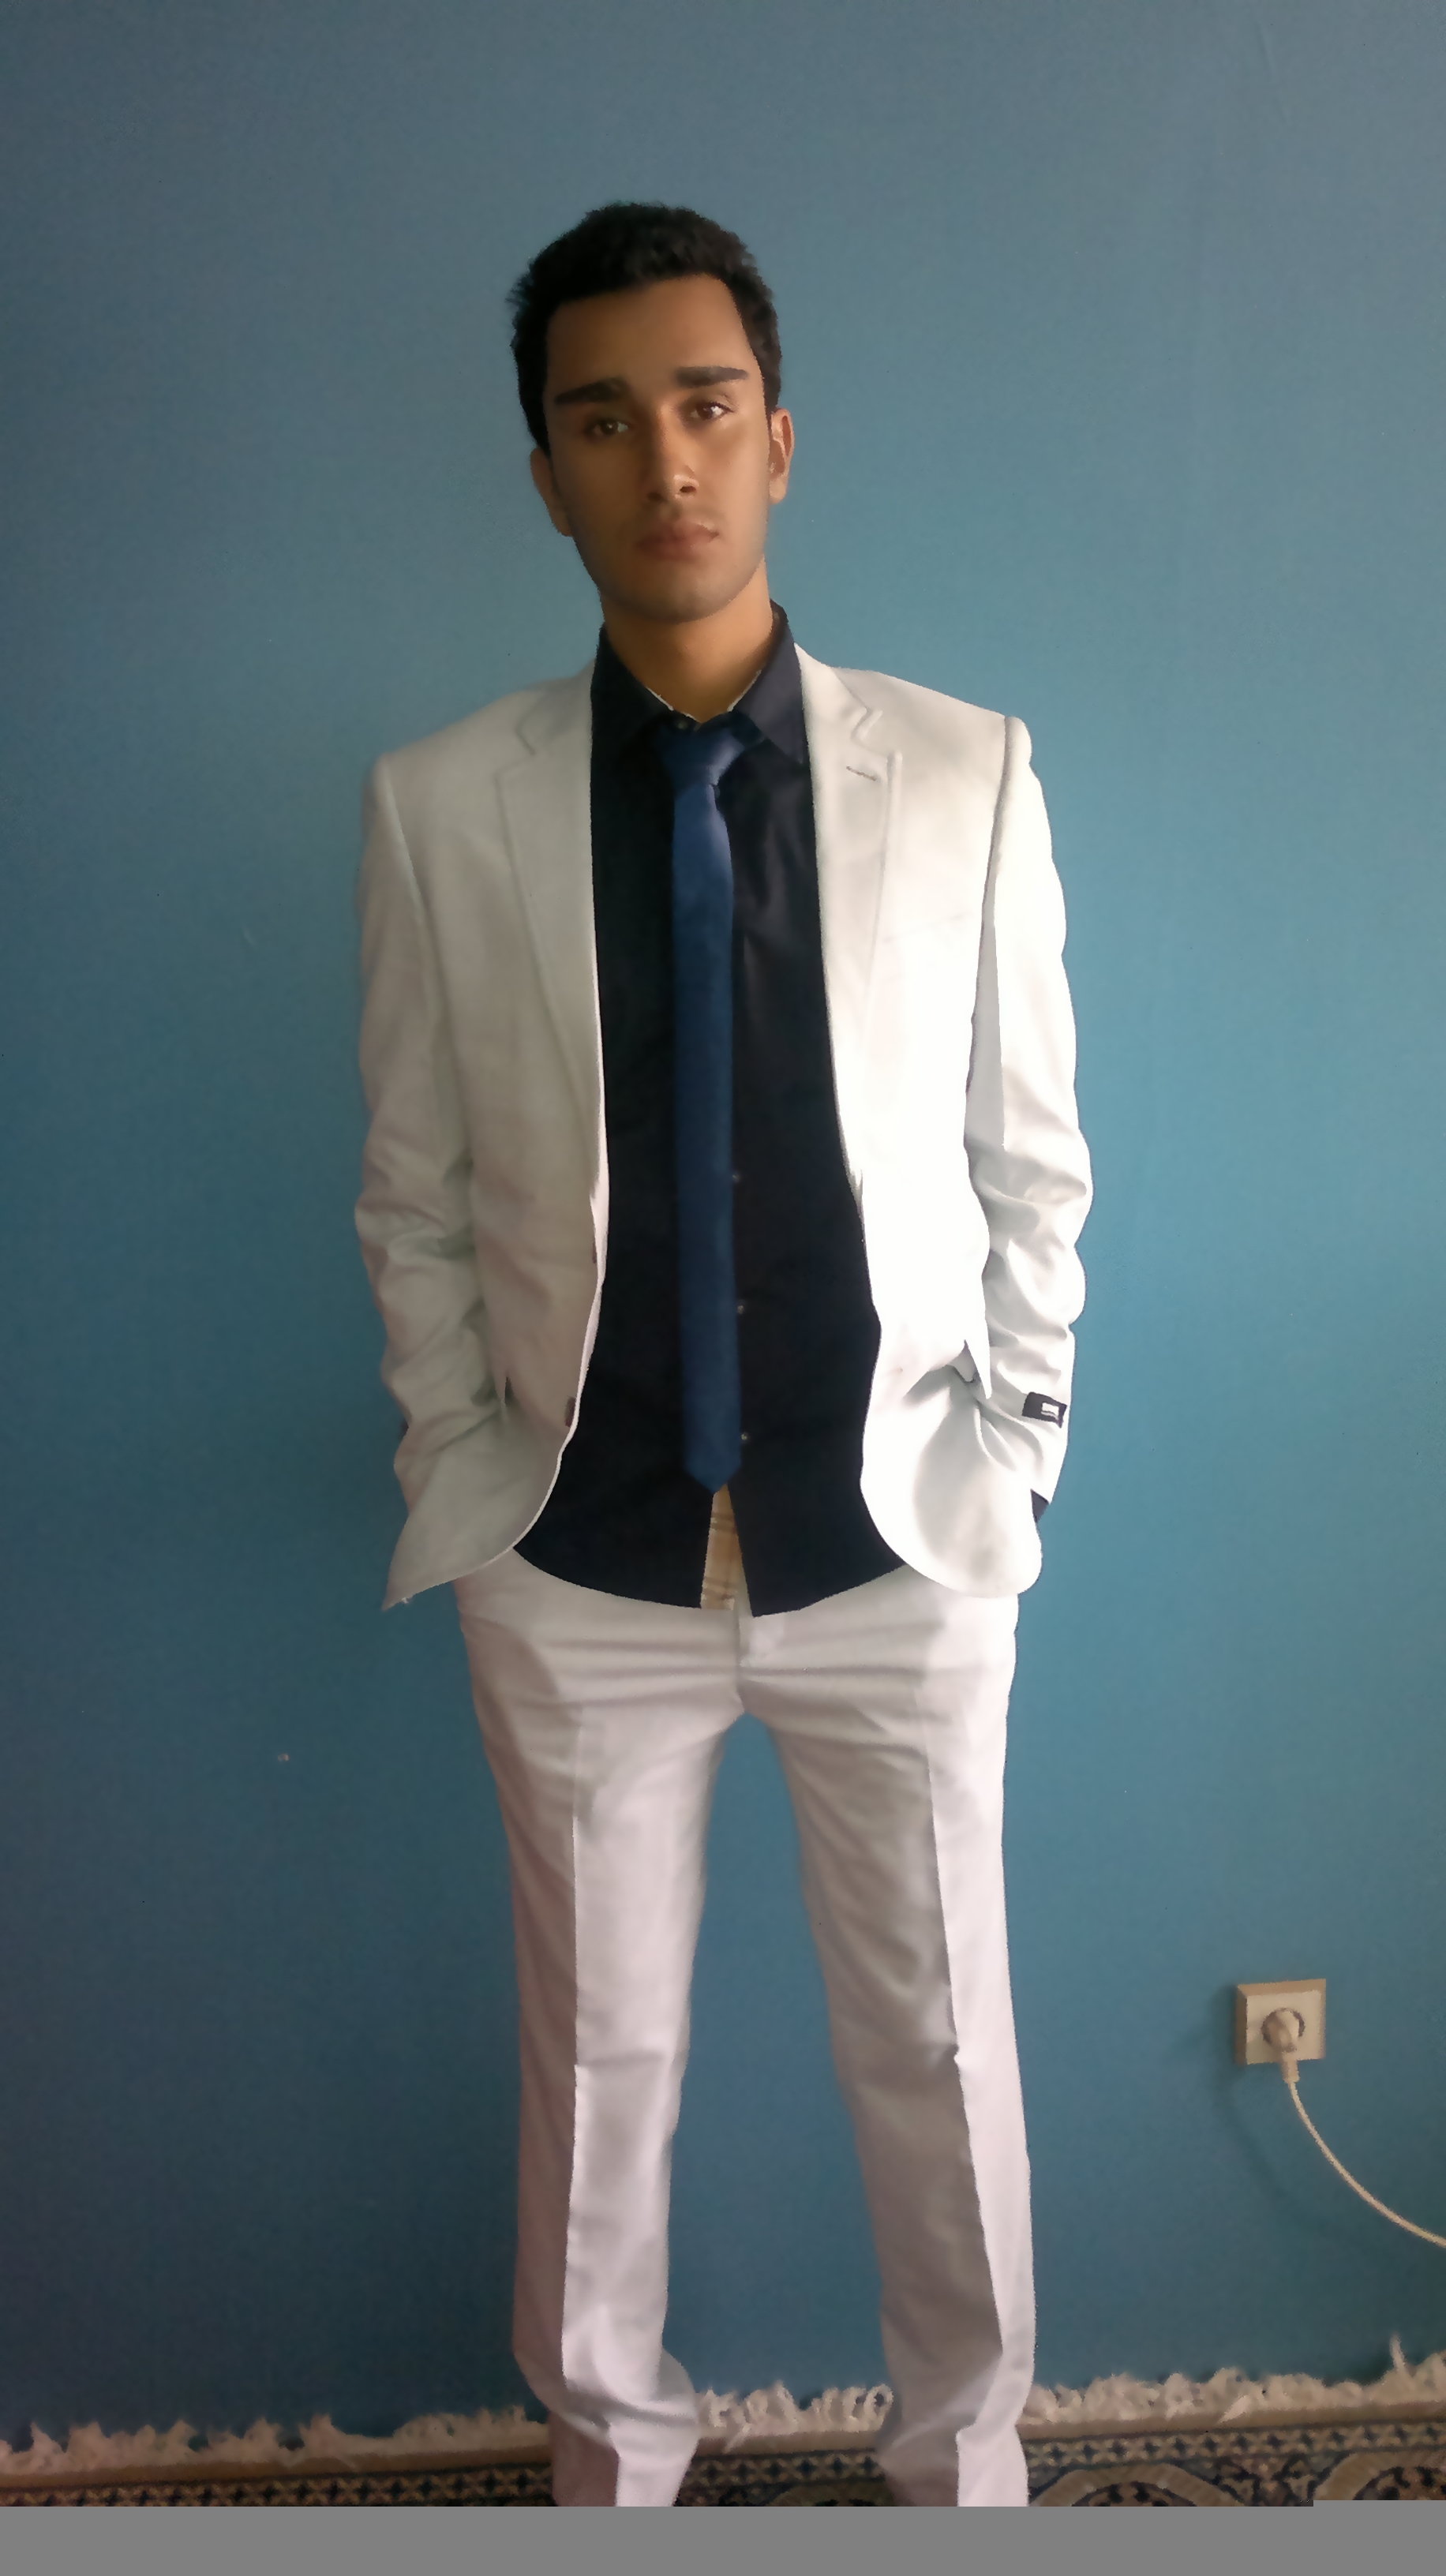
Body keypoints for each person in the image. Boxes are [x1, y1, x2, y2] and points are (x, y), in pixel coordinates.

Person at [353, 200, 1092, 2510]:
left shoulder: (965, 773)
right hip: (578, 1555)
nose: (661, 457)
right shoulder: (440, 805)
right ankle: (617, 2475)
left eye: (703, 404)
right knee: (599, 2074)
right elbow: (409, 1186)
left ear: (778, 438)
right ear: (546, 475)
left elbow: (1035, 1162)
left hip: (898, 1537)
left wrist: (1017, 1446)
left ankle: (966, 2476)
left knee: (941, 2052)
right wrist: (462, 1456)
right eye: (603, 419)